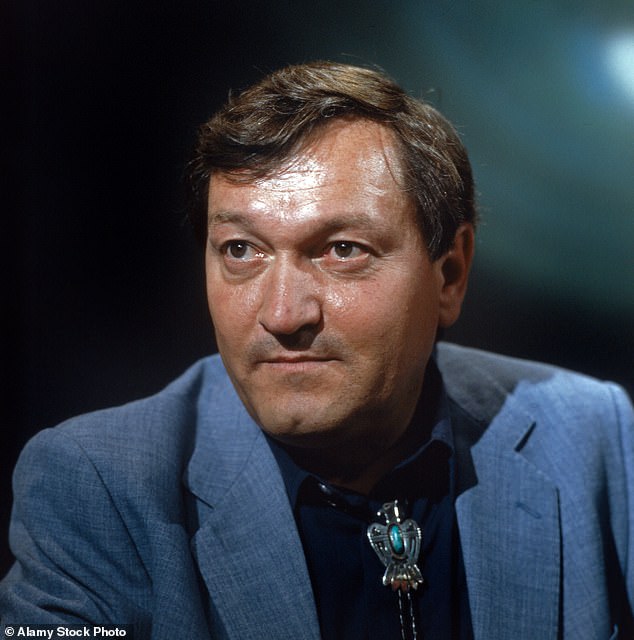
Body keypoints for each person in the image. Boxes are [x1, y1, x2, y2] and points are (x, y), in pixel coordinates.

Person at [1, 61, 632, 640]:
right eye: (241, 250)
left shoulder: (593, 437)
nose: (282, 315)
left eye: (342, 250)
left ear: (450, 274)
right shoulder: (98, 487)